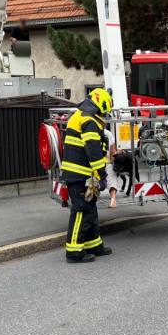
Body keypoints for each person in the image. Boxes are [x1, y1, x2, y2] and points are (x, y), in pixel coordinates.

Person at [61, 88, 114, 263]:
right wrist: (102, 173)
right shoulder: (89, 120)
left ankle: (94, 245)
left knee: (90, 209)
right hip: (79, 174)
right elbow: (93, 150)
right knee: (80, 210)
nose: (104, 114)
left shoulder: (82, 116)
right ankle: (74, 252)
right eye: (103, 111)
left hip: (80, 173)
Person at [104, 128, 120, 208]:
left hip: (93, 162)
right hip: (106, 161)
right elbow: (113, 152)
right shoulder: (108, 133)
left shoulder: (88, 131)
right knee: (112, 176)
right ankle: (113, 199)